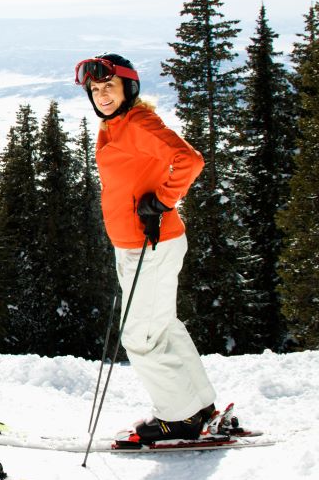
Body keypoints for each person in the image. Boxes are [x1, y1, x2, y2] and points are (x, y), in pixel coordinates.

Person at [75, 54, 218, 443]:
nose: (102, 95)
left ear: (128, 88)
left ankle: (179, 419)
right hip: (135, 246)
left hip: (150, 247)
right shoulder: (114, 125)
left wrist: (162, 201)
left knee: (142, 337)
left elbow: (189, 160)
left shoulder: (136, 122)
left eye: (110, 87)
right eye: (96, 89)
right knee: (163, 327)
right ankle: (199, 406)